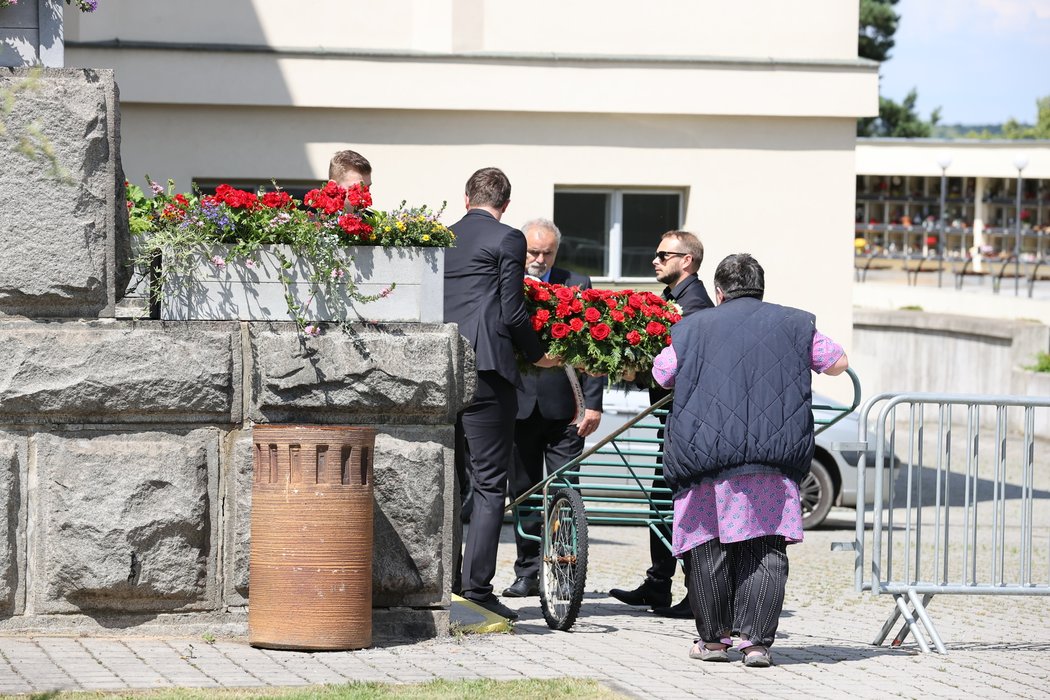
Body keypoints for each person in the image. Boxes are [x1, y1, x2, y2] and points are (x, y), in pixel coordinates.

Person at [652, 253, 848, 668]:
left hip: (706, 459)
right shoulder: (796, 323)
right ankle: (755, 643)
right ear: (761, 288)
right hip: (770, 460)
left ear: (719, 292)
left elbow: (662, 374)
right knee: (765, 547)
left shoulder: (691, 327)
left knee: (707, 546)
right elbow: (837, 363)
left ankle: (714, 641)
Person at [444, 167, 558, 620]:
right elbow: (512, 311)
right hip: (488, 368)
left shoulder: (443, 237)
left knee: (450, 481)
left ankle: (446, 581)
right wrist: (538, 354)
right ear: (505, 204)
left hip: (440, 367)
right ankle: (476, 589)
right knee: (491, 483)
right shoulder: (507, 238)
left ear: (465, 197)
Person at [609, 230, 713, 617]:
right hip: (672, 419)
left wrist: (640, 372)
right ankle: (658, 584)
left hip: (687, 421)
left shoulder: (695, 305)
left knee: (680, 507)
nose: (655, 260)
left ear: (687, 260)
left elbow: (684, 364)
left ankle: (696, 593)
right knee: (660, 504)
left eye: (663, 254)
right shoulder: (673, 299)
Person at [502, 218, 604, 599]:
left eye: (547, 253)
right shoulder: (507, 281)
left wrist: (592, 404)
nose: (539, 259)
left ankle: (563, 570)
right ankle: (528, 572)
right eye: (533, 251)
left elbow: (596, 345)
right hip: (520, 408)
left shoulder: (577, 283)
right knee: (526, 492)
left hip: (567, 410)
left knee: (564, 490)